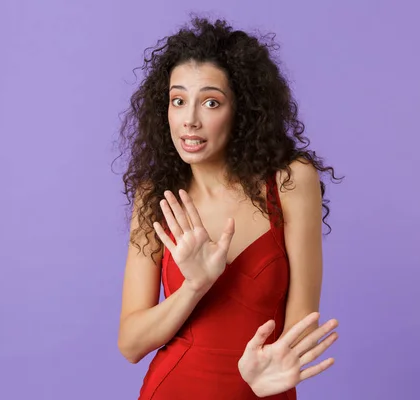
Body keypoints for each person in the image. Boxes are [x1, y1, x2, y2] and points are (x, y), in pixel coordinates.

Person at [114, 16, 343, 399]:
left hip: (263, 389)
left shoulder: (288, 181)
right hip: (174, 387)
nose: (190, 120)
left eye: (210, 102)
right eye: (178, 100)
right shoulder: (155, 195)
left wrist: (273, 370)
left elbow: (301, 316)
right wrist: (194, 286)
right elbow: (131, 343)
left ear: (242, 109)